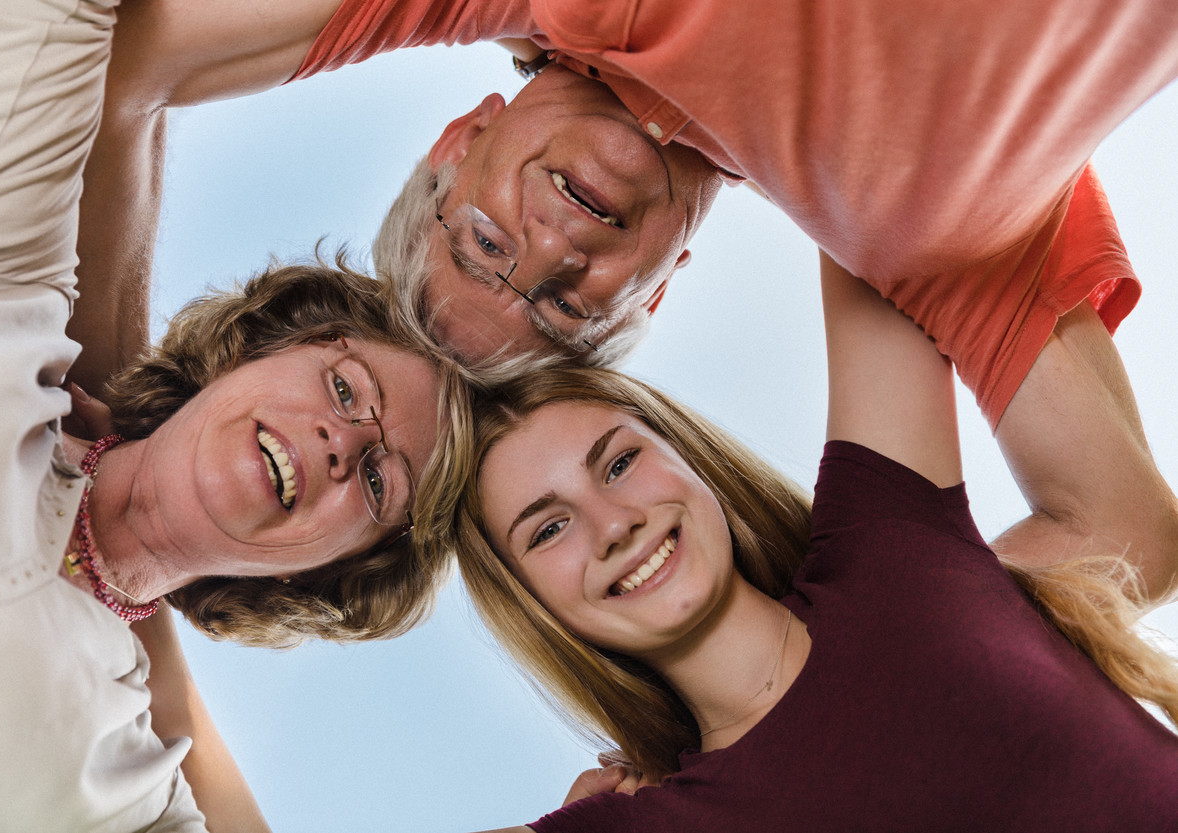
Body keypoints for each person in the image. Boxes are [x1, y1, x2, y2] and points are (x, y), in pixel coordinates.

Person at [75, 0, 1178, 599]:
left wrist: (120, 398)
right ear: (662, 290)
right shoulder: (905, 227)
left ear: (458, 143)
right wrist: (778, 671)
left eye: (485, 241)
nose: (552, 244)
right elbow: (1122, 534)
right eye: (563, 306)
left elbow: (124, 72)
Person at [0, 0, 466, 829]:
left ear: (325, 571)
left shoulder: (125, 784)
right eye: (345, 388)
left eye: (375, 477)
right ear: (254, 351)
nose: (342, 438)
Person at [421, 255, 1178, 831]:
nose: (613, 523)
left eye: (619, 462)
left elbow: (867, 171)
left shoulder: (887, 535)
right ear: (529, 601)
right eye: (549, 528)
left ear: (686, 455)